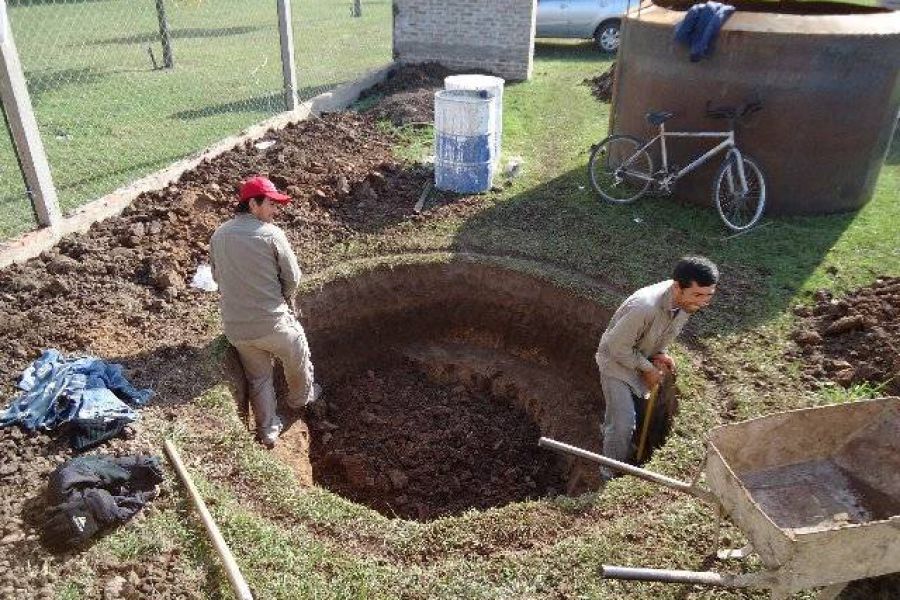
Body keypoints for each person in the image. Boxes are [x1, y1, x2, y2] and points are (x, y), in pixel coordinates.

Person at [210, 175, 321, 448]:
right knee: (297, 354)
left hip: (237, 329)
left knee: (258, 378)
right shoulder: (271, 234)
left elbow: (216, 276)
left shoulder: (219, 234)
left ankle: (268, 430)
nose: (275, 210)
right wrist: (282, 298)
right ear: (253, 204)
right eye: (271, 204)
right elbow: (293, 278)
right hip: (273, 324)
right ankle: (300, 399)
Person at [595, 256, 718, 478]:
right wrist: (648, 369)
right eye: (698, 295)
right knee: (624, 424)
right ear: (677, 287)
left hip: (639, 359)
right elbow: (616, 348)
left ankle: (611, 433)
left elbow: (661, 334)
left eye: (708, 296)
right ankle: (608, 471)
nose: (702, 302)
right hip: (615, 364)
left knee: (623, 419)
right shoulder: (644, 307)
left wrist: (659, 354)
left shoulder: (685, 303)